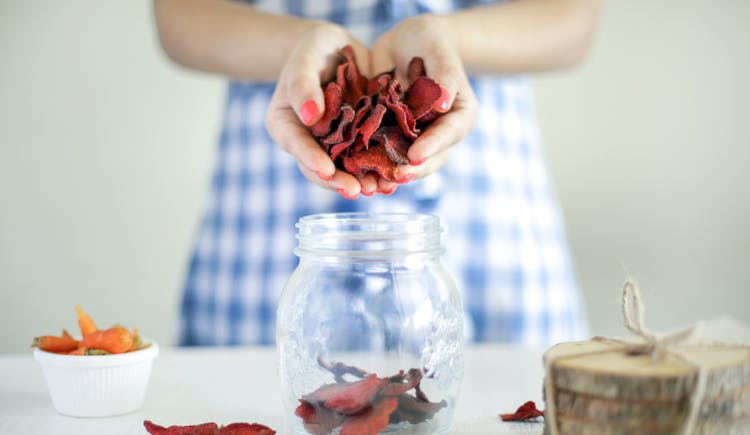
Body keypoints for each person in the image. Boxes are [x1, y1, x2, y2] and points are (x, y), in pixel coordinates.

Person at [153, 0, 600, 346]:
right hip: (272, 204)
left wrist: (444, 38)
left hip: (490, 215)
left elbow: (573, 20)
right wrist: (297, 43)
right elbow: (179, 17)